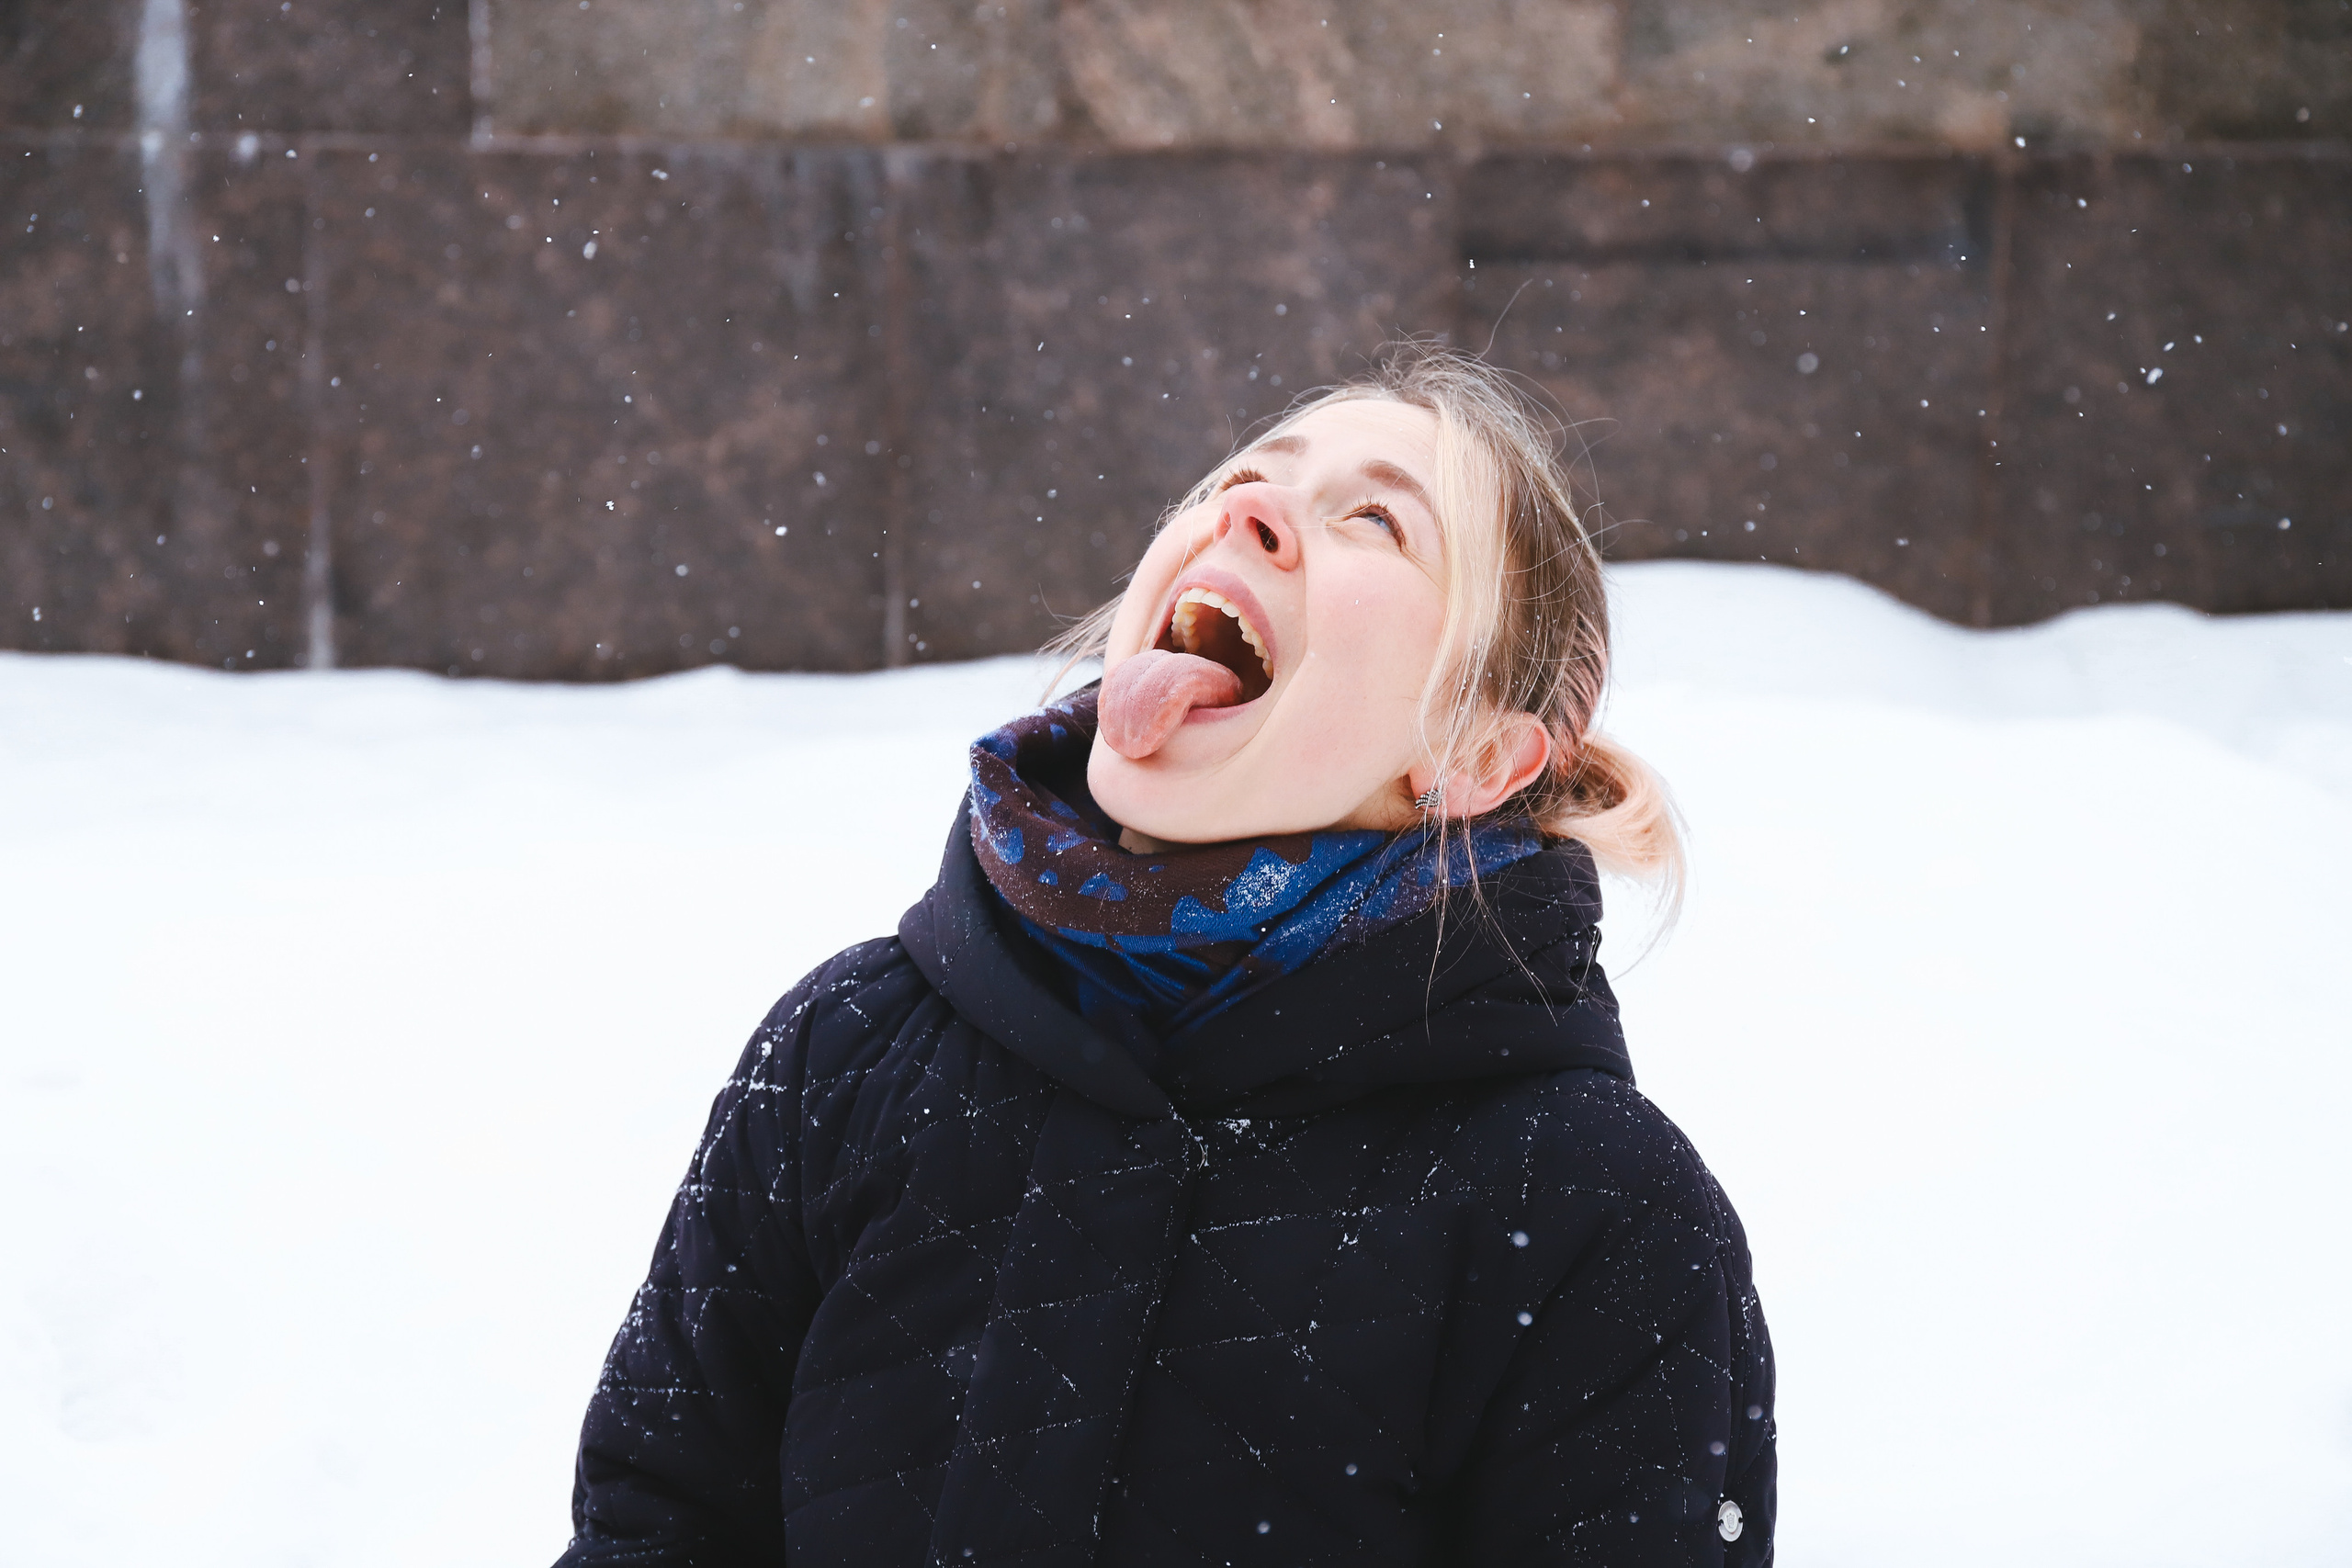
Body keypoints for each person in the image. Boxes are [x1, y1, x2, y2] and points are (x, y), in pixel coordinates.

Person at [555, 344, 1776, 1566]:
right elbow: (652, 1528)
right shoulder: (844, 1054)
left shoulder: (1598, 1218)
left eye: (1376, 522)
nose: (1253, 510)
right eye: (1248, 477)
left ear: (1474, 757)